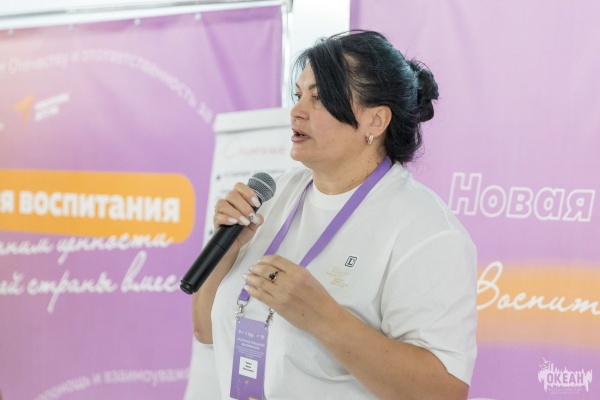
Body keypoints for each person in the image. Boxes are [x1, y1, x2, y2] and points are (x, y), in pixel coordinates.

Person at [191, 30, 477, 400]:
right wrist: (227, 249)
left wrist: (324, 318)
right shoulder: (270, 198)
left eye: (320, 97)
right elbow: (207, 331)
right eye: (298, 95)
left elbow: (444, 392)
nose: (296, 111)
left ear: (375, 121)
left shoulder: (426, 230)